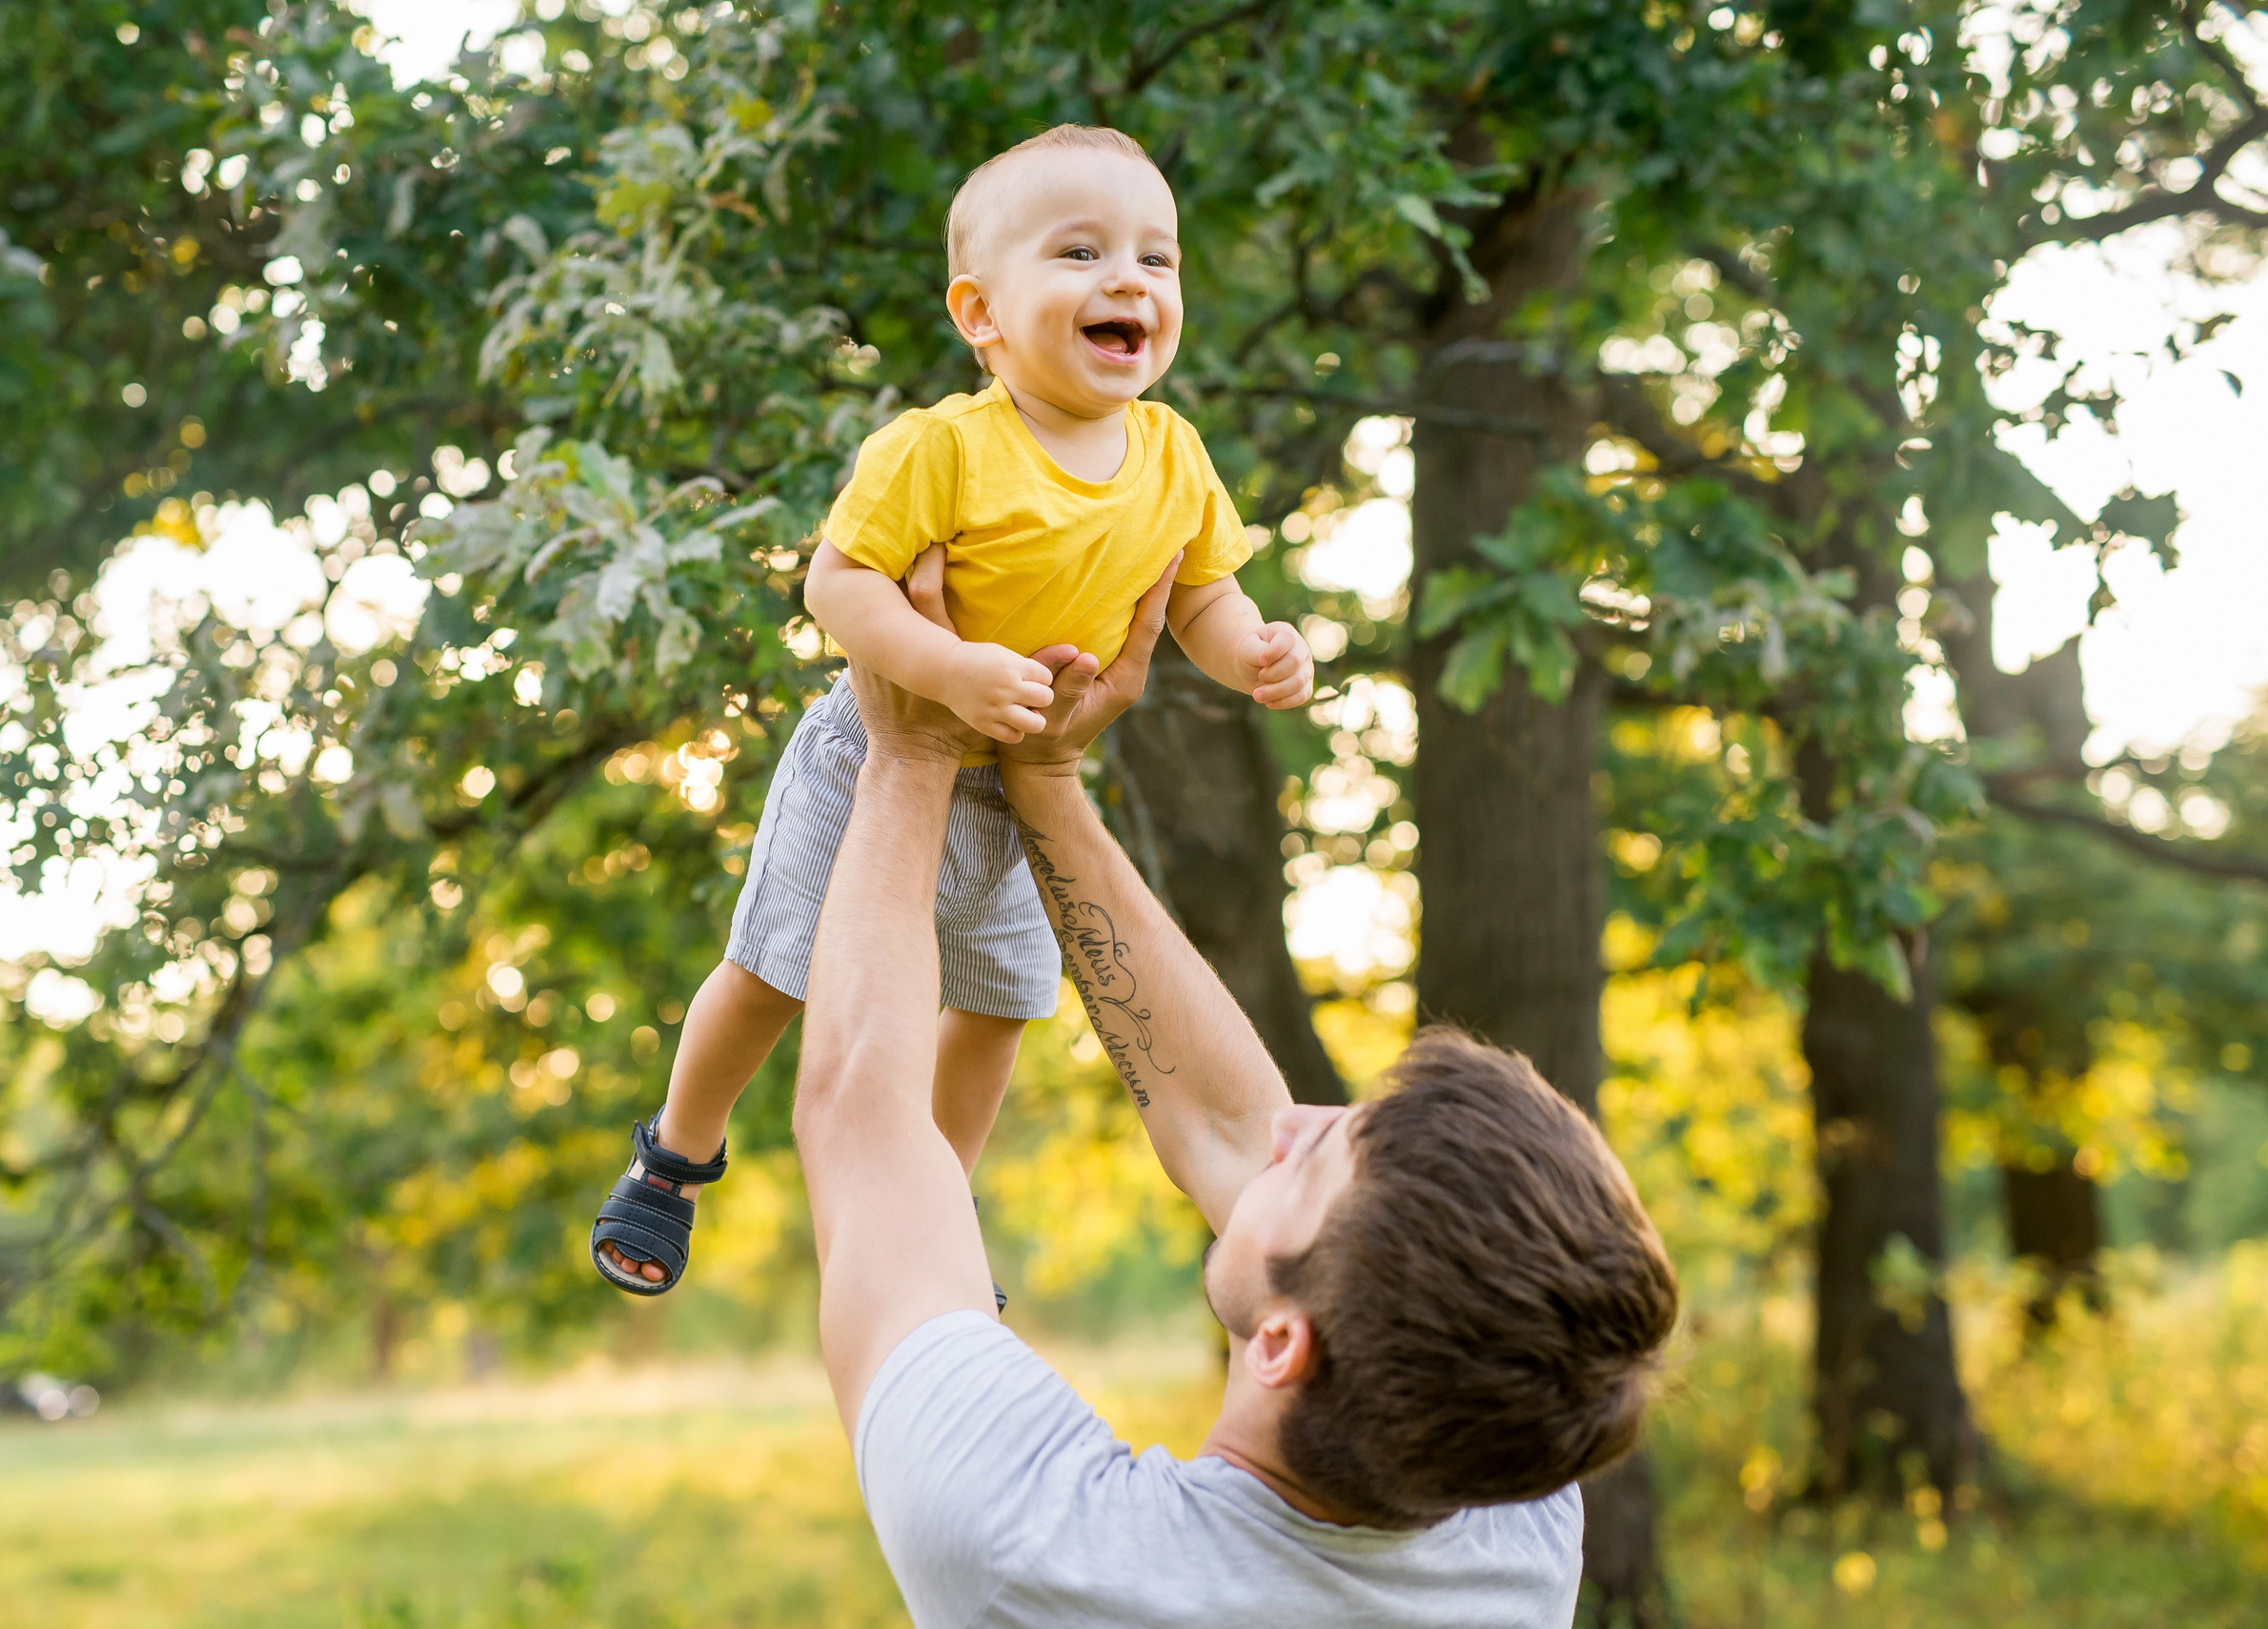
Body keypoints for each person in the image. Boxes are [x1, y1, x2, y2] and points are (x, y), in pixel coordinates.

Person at [764, 566, 1681, 1625]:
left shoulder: (1036, 1545)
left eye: (1318, 1158)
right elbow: (1232, 1132)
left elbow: (861, 1119)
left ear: (1285, 1347)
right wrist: (1046, 776)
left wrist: (915, 746)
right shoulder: (1515, 1465)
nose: (1295, 1119)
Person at [590, 123, 1313, 1296]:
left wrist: (1256, 656)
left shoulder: (1174, 456)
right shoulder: (942, 448)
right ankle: (676, 1149)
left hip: (1017, 781)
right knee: (776, 969)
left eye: (1157, 258)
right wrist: (943, 665)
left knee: (997, 1007)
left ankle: (936, 1206)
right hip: (871, 750)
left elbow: (1201, 594)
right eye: (1079, 253)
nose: (1129, 278)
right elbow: (836, 582)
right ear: (979, 314)